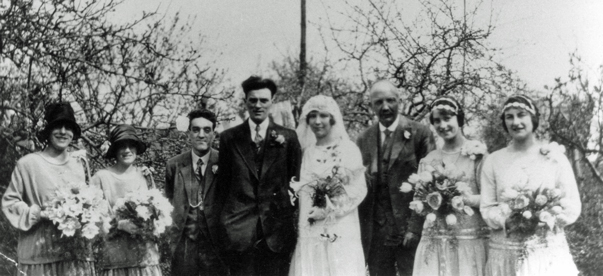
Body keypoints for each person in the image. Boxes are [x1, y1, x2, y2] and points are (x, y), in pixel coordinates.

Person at [480, 95, 581, 276]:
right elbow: (487, 208)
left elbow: (572, 204)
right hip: (506, 252)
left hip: (546, 252)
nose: (515, 122)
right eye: (509, 117)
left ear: (533, 119)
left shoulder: (553, 157)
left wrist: (546, 217)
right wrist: (505, 220)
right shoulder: (494, 160)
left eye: (521, 115)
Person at [217, 76, 302, 276]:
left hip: (276, 233)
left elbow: (296, 183)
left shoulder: (288, 138)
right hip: (239, 233)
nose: (258, 105)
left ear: (272, 102)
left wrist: (285, 217)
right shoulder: (229, 138)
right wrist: (226, 225)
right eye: (252, 100)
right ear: (245, 101)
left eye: (263, 100)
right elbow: (222, 187)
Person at [2, 102, 96, 276]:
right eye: (56, 126)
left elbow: (90, 204)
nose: (62, 132)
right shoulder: (28, 164)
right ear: (47, 131)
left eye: (68, 127)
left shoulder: (80, 165)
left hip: (74, 256)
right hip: (40, 255)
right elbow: (9, 202)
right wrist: (39, 214)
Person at [356, 80, 435, 276]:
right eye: (378, 102)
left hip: (409, 229)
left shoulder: (420, 133)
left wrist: (415, 229)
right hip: (377, 234)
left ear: (399, 101)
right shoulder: (363, 139)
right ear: (371, 105)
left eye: (390, 100)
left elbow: (430, 184)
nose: (385, 107)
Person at [288, 95, 367, 276]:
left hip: (341, 227)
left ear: (332, 118)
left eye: (323, 115)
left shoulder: (348, 149)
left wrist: (327, 210)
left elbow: (358, 190)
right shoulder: (306, 153)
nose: (317, 121)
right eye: (312, 116)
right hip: (311, 229)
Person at [412, 96, 489, 276]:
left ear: (459, 119)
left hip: (468, 240)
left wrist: (464, 200)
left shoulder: (476, 155)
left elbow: (490, 198)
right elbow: (418, 199)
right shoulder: (429, 159)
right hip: (435, 239)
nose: (442, 125)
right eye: (437, 121)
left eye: (448, 118)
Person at [91, 124, 162, 276]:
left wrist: (149, 224)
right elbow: (92, 218)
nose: (127, 150)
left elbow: (159, 211)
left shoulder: (145, 175)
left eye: (131, 146)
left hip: (145, 258)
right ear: (115, 150)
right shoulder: (101, 177)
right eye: (122, 146)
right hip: (116, 258)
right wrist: (118, 223)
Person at [165, 109, 228, 276]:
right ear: (189, 134)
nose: (201, 135)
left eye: (207, 130)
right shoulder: (174, 165)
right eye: (196, 129)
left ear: (214, 134)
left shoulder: (227, 163)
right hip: (184, 245)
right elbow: (169, 203)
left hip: (217, 247)